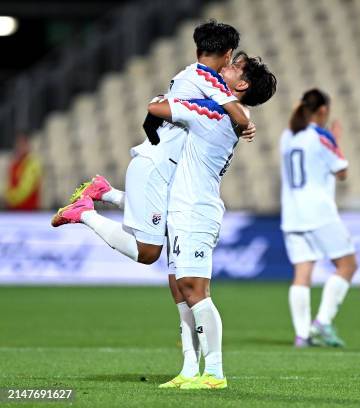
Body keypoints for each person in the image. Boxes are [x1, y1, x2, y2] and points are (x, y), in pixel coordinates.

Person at [51, 20, 255, 387]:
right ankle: (88, 209)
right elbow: (166, 107)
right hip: (159, 167)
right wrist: (244, 120)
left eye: (236, 67)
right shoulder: (207, 81)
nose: (230, 65)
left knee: (179, 284)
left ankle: (192, 369)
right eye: (232, 60)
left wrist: (154, 126)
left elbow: (158, 107)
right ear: (223, 55)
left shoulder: (203, 85)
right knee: (148, 252)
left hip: (170, 178)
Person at [146, 51, 277, 389]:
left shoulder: (212, 113)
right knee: (180, 287)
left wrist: (204, 85)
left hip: (195, 210)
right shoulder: (229, 114)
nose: (224, 69)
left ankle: (215, 372)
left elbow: (157, 106)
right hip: (184, 208)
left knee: (195, 289)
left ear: (243, 83)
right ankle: (190, 368)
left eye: (234, 68)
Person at [280, 89, 357, 348]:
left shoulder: (287, 136)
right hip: (318, 212)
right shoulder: (321, 135)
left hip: (292, 214)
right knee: (347, 265)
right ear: (322, 110)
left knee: (302, 272)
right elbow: (342, 171)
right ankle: (322, 323)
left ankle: (302, 335)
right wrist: (335, 140)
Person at [4, 133, 42, 211]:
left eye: (23, 144)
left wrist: (10, 199)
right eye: (18, 144)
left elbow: (25, 189)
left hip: (28, 209)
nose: (20, 147)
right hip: (14, 209)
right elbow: (8, 183)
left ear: (28, 146)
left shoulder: (32, 163)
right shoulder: (14, 162)